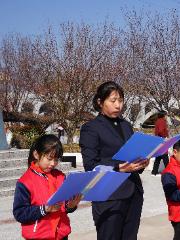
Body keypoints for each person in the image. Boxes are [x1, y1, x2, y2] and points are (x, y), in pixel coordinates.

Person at [79, 81, 149, 240]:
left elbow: (132, 155)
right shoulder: (91, 128)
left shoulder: (126, 125)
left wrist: (141, 164)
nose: (118, 105)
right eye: (113, 100)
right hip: (108, 196)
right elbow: (90, 165)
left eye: (121, 100)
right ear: (99, 102)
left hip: (133, 192)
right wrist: (118, 167)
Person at [13, 134, 81, 240]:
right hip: (39, 235)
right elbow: (20, 213)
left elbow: (63, 207)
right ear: (36, 154)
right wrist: (44, 209)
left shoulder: (60, 177)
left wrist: (70, 206)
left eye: (56, 159)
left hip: (61, 234)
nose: (53, 163)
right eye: (49, 159)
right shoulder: (25, 182)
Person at [151, 110, 169, 175]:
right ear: (163, 115)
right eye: (166, 115)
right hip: (162, 141)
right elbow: (161, 131)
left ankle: (154, 171)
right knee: (165, 157)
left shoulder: (158, 121)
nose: (167, 116)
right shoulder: (162, 121)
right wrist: (165, 136)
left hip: (158, 140)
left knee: (158, 157)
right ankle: (169, 172)